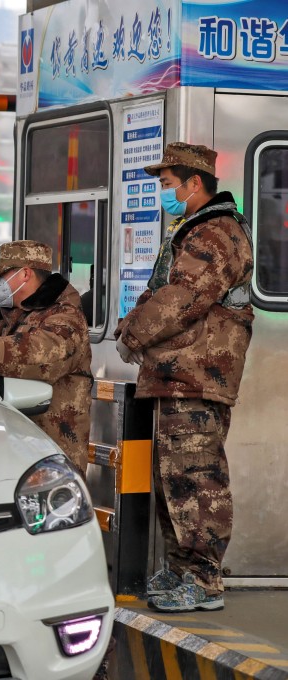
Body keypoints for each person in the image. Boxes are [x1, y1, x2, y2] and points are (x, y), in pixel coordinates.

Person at [115, 142, 254, 613]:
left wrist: (133, 333)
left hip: (196, 376)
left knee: (198, 480)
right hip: (178, 376)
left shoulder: (215, 234)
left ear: (195, 183)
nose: (163, 192)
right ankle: (182, 571)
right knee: (176, 480)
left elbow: (181, 297)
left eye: (168, 184)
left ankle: (203, 579)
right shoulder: (193, 229)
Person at [0, 240, 92, 475]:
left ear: (25, 274)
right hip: (6, 445)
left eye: (2, 276)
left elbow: (43, 353)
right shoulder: (2, 319)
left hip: (50, 451)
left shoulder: (65, 317)